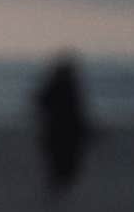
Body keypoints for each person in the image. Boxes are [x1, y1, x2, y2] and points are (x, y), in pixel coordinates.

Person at [33, 50, 93, 201]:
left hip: (58, 132)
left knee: (61, 164)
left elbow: (39, 103)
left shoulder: (60, 85)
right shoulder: (66, 86)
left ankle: (57, 191)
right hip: (62, 132)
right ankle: (57, 191)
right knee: (63, 164)